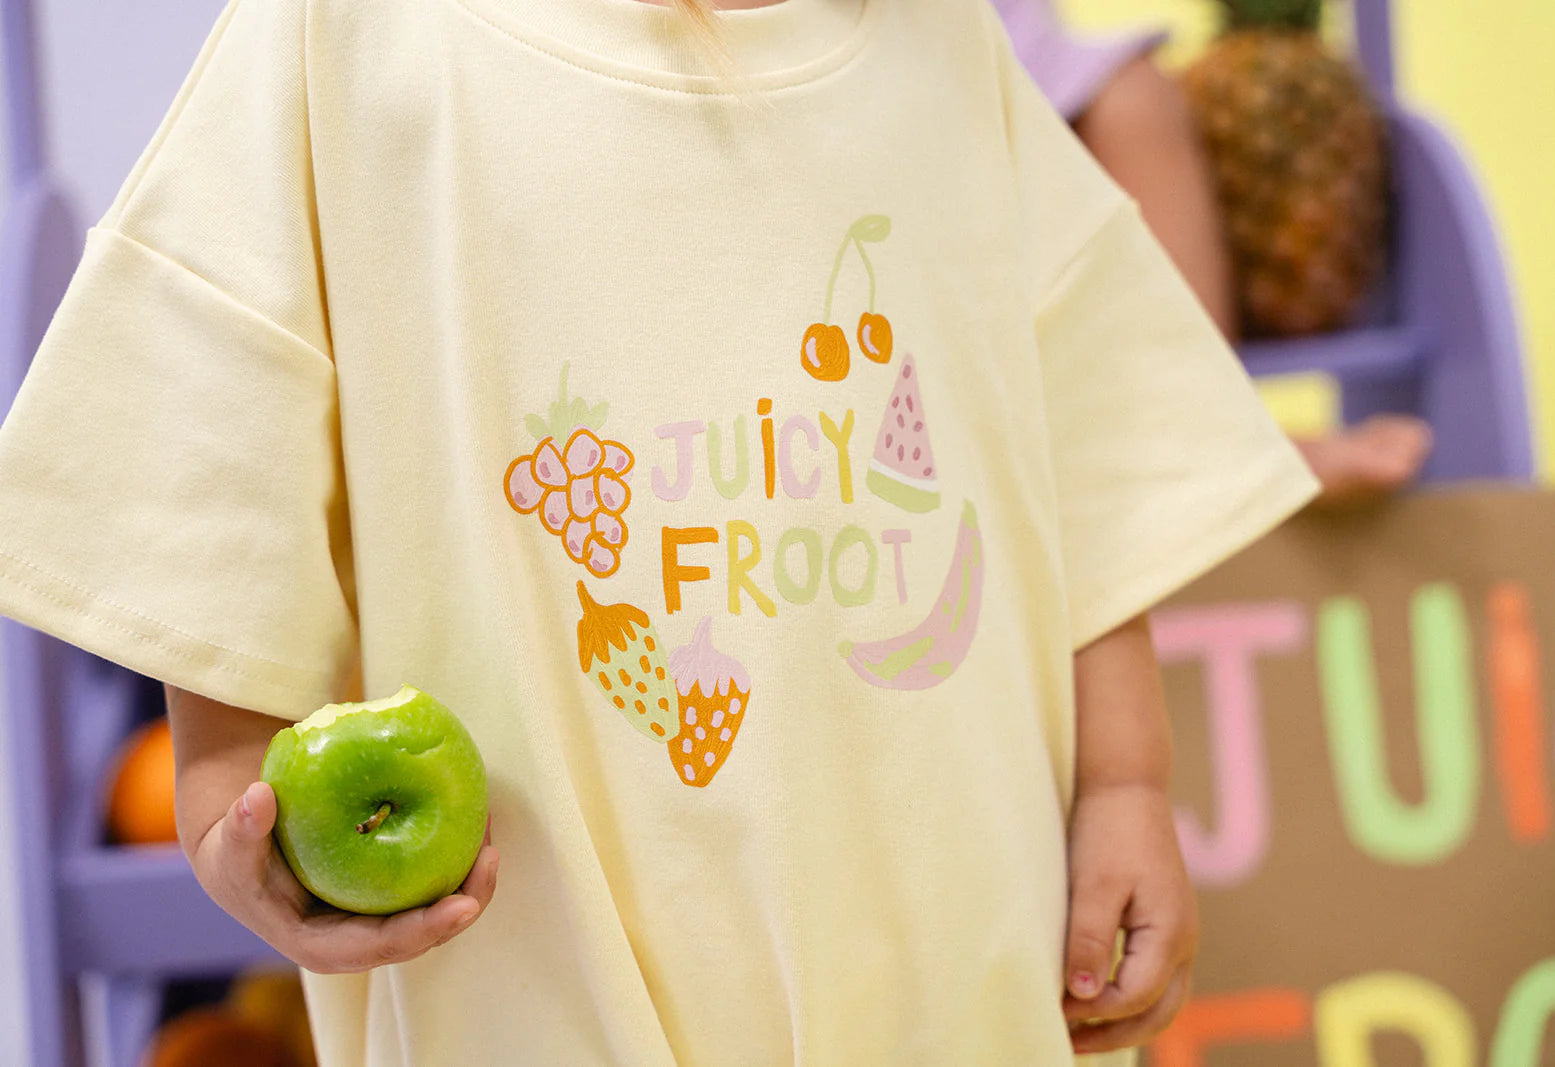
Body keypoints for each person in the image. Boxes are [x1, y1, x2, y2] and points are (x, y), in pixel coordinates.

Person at [0, 0, 1319, 1062]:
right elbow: (206, 409)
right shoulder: (348, 37)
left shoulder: (950, 50)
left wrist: (1129, 783)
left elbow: (1086, 432)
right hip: (535, 971)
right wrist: (229, 774)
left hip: (962, 957)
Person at [994, 0, 1433, 505]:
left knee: (1134, 98)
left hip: (1008, 58)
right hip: (917, 91)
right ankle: (1203, 442)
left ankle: (1212, 424)